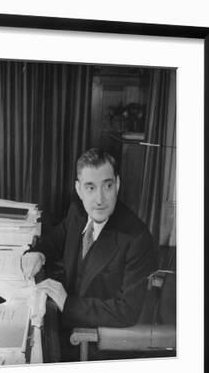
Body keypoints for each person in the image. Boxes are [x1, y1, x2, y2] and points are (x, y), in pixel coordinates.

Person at [21, 148, 156, 354]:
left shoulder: (138, 238)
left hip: (94, 347)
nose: (100, 199)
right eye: (90, 187)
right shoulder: (77, 212)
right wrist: (37, 253)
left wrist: (68, 303)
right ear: (79, 189)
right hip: (62, 328)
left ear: (117, 185)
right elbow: (55, 241)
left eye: (107, 186)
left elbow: (126, 311)